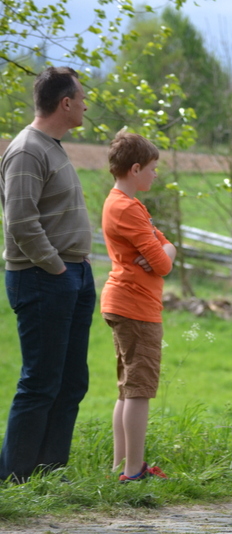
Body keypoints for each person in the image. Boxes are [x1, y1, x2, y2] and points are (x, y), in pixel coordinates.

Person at [0, 67, 95, 483]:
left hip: (71, 275)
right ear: (66, 103)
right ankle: (14, 479)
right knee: (40, 382)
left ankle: (49, 475)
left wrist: (76, 267)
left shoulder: (52, 146)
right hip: (43, 276)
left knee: (71, 382)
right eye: (82, 97)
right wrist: (56, 267)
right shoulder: (27, 149)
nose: (87, 105)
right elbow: (20, 221)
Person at [100, 130, 176, 481]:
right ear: (134, 169)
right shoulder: (127, 209)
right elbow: (163, 262)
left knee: (128, 389)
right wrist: (161, 254)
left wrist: (162, 253)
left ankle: (121, 466)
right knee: (139, 391)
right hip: (135, 307)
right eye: (152, 168)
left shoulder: (126, 204)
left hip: (126, 303)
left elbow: (167, 247)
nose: (155, 174)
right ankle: (133, 471)